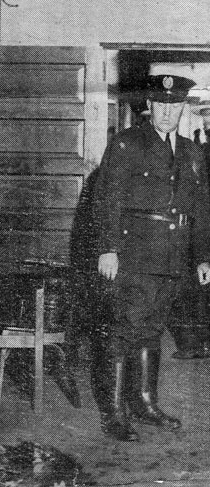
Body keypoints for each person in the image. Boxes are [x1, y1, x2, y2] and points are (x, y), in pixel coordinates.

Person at [93, 63, 210, 442]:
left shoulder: (191, 152)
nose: (167, 112)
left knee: (152, 330)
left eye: (174, 106)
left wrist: (202, 256)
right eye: (161, 105)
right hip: (135, 255)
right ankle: (114, 414)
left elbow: (200, 207)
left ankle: (144, 402)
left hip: (173, 258)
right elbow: (106, 200)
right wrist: (108, 249)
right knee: (123, 330)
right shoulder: (127, 144)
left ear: (183, 107)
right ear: (149, 105)